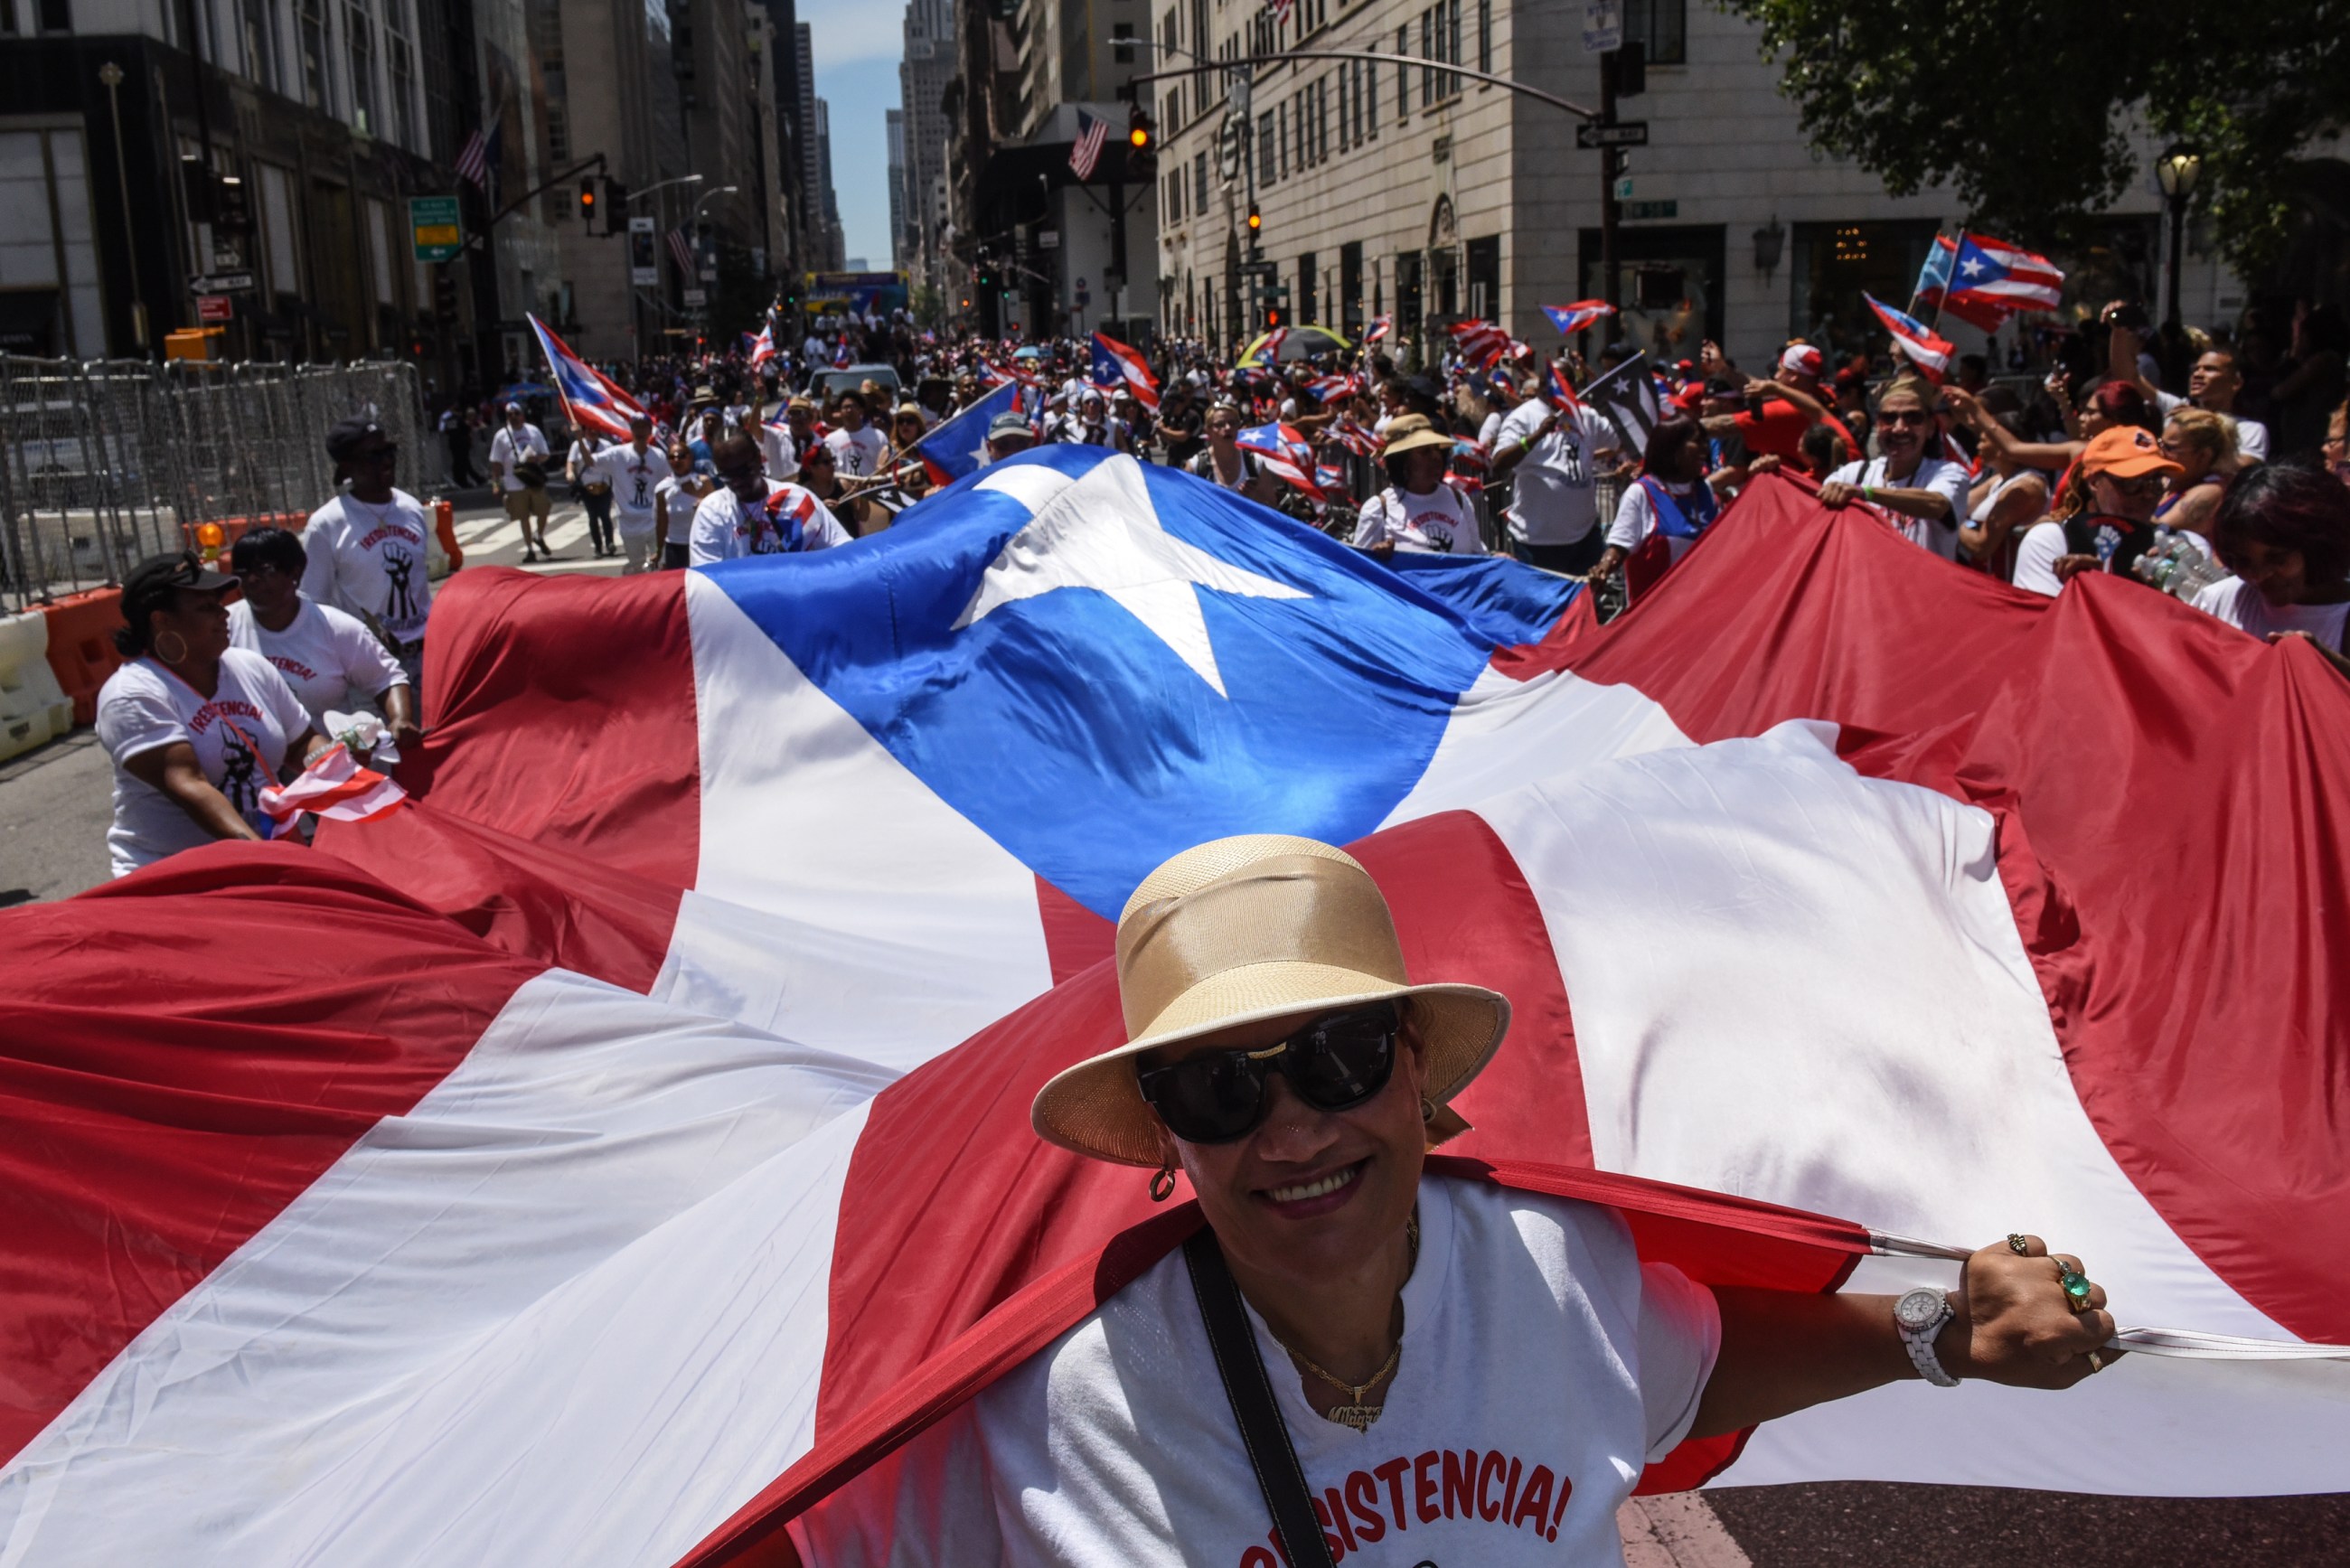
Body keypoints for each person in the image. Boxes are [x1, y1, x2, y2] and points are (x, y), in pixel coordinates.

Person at [788, 835, 2119, 1565]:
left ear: (1420, 1078)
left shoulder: (1550, 1261)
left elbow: (1680, 1366)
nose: (1295, 1123)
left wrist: (1945, 1332)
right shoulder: (1053, 1406)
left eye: (1341, 1056)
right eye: (1218, 1089)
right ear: (1163, 1143)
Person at [94, 551, 327, 878]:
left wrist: (337, 763)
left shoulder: (250, 667)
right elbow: (189, 784)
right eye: (206, 608)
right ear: (161, 620)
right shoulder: (132, 695)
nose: (223, 614)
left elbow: (301, 741)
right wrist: (257, 851)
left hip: (265, 859)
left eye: (219, 604)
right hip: (176, 878)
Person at [226, 526, 416, 746]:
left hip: (332, 763)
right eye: (242, 573)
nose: (252, 580)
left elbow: (387, 679)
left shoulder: (336, 628)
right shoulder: (223, 626)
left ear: (294, 572)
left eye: (264, 570)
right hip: (257, 768)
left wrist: (400, 719)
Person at [299, 416, 434, 688]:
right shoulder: (327, 524)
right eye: (374, 455)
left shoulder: (411, 508)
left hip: (428, 654)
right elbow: (315, 606)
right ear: (347, 465)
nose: (387, 460)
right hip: (371, 664)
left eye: (389, 451)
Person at [2190, 463, 2350, 676]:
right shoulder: (2217, 601)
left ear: (2317, 547)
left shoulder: (2343, 617)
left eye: (2277, 558)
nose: (2258, 575)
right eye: (2243, 561)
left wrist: (2327, 666)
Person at [2010, 427, 2182, 596]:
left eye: (2155, 482)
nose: (2147, 494)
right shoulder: (2052, 540)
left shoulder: (2181, 545)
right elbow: (2049, 620)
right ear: (2094, 482)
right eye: (2131, 483)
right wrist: (2094, 584)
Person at [1812, 378, 1973, 559]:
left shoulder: (1948, 472)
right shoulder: (1853, 474)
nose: (1899, 428)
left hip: (1923, 585)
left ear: (1930, 428)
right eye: (1889, 418)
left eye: (1913, 418)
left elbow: (1937, 505)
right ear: (1877, 426)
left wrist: (1866, 493)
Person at [1488, 380, 1622, 574]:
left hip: (1585, 537)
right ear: (1545, 386)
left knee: (1586, 602)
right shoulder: (1523, 416)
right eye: (1559, 382)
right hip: (1537, 542)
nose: (1566, 389)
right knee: (1545, 603)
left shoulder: (1585, 415)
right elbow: (1499, 461)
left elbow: (1621, 440)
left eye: (1570, 382)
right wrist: (1536, 436)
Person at [2107, 324, 2270, 463]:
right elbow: (2130, 378)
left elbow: (2240, 469)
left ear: (2236, 383)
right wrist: (2119, 329)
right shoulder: (2178, 409)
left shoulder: (2250, 430)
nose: (2198, 374)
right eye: (2196, 369)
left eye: (2210, 369)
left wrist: (2203, 422)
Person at [1588, 416, 1720, 581]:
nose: (1705, 449)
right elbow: (1620, 546)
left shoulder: (1705, 490)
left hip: (1700, 601)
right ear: (1673, 448)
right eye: (1697, 442)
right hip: (1658, 603)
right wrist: (1604, 567)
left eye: (1705, 442)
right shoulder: (1642, 492)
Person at [687, 432, 852, 564]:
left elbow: (843, 548)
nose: (737, 481)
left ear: (759, 458)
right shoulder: (711, 512)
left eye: (744, 471)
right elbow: (707, 579)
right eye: (727, 476)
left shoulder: (795, 498)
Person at [1351, 416, 1483, 557]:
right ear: (1402, 461)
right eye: (1425, 451)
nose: (1436, 457)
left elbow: (1479, 557)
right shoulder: (1379, 509)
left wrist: (1499, 558)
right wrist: (1376, 557)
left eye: (1436, 449)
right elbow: (1358, 568)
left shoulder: (1459, 500)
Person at [2150, 408, 2238, 555]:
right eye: (2160, 443)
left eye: (2170, 448)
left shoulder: (2211, 491)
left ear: (2204, 455)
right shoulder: (2168, 480)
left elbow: (2158, 531)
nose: (2159, 452)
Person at [604, 413, 677, 575]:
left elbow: (669, 482)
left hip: (653, 521)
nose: (640, 431)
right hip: (629, 524)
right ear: (631, 429)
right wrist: (579, 439)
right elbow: (590, 462)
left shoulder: (658, 456)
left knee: (660, 564)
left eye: (644, 427)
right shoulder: (618, 454)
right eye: (636, 427)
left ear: (650, 430)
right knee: (637, 567)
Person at [488, 401, 554, 561]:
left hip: (534, 479)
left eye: (516, 413)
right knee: (523, 517)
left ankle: (538, 536)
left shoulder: (533, 431)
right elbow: (496, 462)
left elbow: (545, 454)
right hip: (514, 483)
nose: (513, 417)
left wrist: (536, 458)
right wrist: (496, 484)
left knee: (543, 510)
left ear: (522, 415)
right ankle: (530, 549)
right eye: (510, 415)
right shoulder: (501, 436)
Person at [1188, 399, 1282, 505]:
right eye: (1220, 424)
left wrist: (1254, 496)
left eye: (1232, 423)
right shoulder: (1197, 466)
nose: (1228, 428)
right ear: (1208, 430)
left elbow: (1272, 504)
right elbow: (1184, 505)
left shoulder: (1254, 463)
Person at [655, 440, 714, 570]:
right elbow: (661, 522)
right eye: (672, 457)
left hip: (700, 544)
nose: (677, 460)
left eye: (681, 456)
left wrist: (704, 505)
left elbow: (717, 512)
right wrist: (659, 551)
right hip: (674, 546)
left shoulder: (703, 483)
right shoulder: (663, 488)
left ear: (690, 458)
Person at [568, 428, 616, 559]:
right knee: (593, 517)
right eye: (589, 430)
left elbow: (614, 462)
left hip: (604, 486)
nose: (592, 432)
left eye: (594, 429)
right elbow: (571, 461)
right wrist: (570, 472)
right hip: (586, 488)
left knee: (605, 515)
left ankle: (610, 542)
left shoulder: (606, 445)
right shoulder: (577, 445)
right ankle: (598, 547)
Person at [824, 391, 888, 480]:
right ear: (840, 412)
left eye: (853, 406)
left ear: (861, 410)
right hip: (844, 491)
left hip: (871, 489)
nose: (849, 410)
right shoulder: (830, 440)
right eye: (845, 407)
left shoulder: (878, 436)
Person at [438, 402, 481, 487]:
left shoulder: (449, 420)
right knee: (463, 463)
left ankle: (468, 479)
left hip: (453, 443)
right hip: (462, 443)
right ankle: (464, 481)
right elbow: (465, 429)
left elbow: (445, 431)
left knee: (458, 462)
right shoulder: (459, 419)